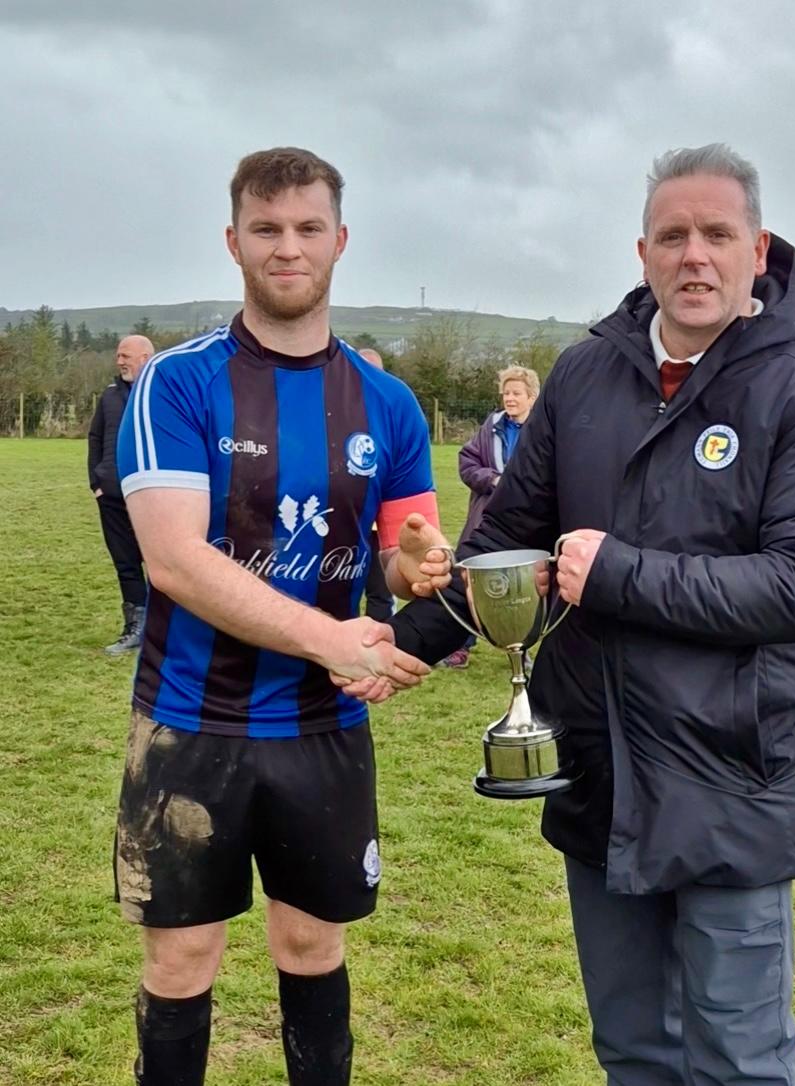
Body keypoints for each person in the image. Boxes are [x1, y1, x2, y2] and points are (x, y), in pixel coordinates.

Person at [378, 144, 795, 1084]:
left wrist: (619, 575)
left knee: (739, 1057)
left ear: (755, 250)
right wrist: (399, 645)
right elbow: (507, 540)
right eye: (672, 235)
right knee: (632, 1049)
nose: (694, 255)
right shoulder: (583, 376)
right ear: (640, 252)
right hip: (597, 766)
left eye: (716, 235)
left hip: (729, 777)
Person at [114, 147, 449, 1086]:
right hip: (191, 724)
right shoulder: (176, 383)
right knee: (181, 960)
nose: (287, 248)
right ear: (234, 242)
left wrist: (416, 566)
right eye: (266, 230)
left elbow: (401, 548)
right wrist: (334, 641)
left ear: (340, 241)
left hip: (324, 729)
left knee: (312, 947)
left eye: (308, 229)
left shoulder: (387, 402)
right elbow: (175, 560)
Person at [440, 365, 540, 668]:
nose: (509, 398)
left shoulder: (544, 429)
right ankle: (459, 647)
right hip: (486, 521)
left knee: (521, 587)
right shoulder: (491, 426)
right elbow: (467, 462)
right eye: (506, 393)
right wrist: (493, 480)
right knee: (469, 582)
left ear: (532, 397)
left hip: (527, 523)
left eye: (516, 393)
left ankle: (520, 650)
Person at [88, 334, 155, 654]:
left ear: (145, 357)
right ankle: (135, 628)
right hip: (112, 494)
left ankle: (167, 630)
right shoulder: (110, 395)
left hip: (152, 497)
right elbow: (95, 437)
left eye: (125, 355)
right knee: (126, 563)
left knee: (162, 562)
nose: (120, 361)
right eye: (118, 355)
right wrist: (96, 482)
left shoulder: (162, 393)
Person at [356, 347, 397, 624]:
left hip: (381, 527)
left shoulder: (393, 417)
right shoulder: (329, 413)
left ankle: (375, 647)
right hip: (342, 524)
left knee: (380, 594)